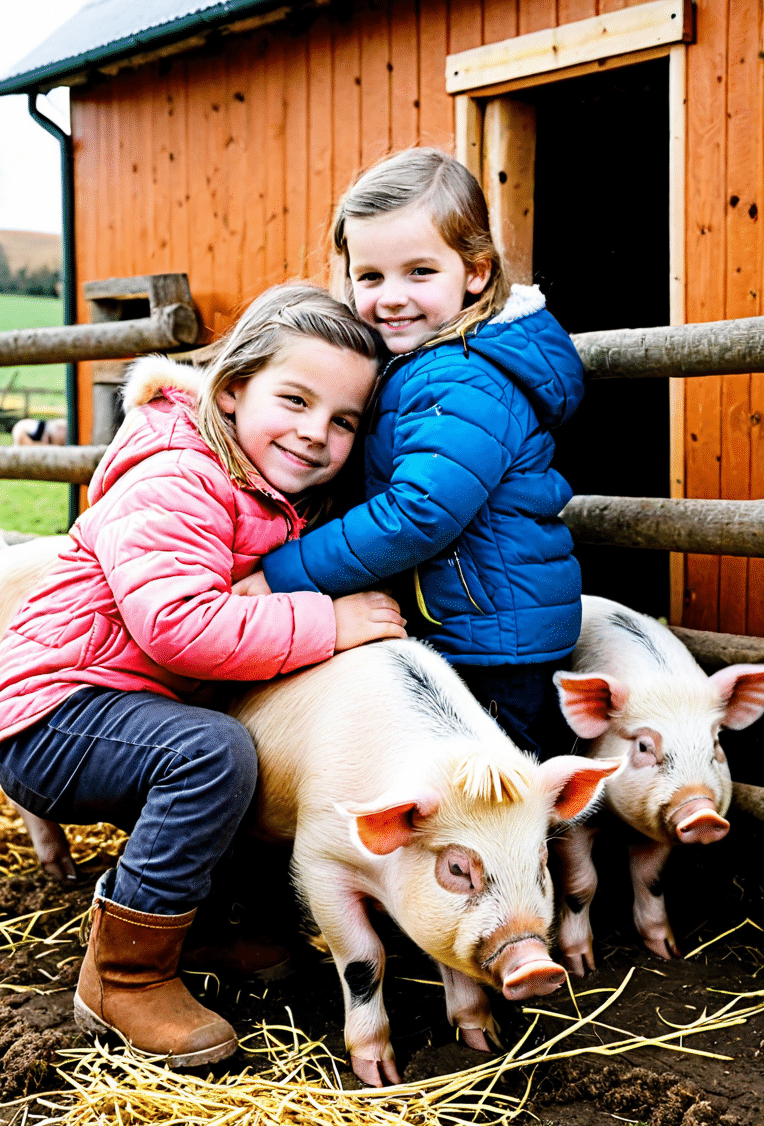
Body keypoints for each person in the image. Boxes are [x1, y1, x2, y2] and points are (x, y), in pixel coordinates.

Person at [0, 282, 406, 1069]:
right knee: (211, 754)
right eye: (296, 399)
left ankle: (207, 928)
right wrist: (327, 622)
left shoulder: (268, 491)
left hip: (124, 704)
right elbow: (177, 627)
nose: (316, 433)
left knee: (241, 746)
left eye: (343, 421)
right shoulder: (179, 472)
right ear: (234, 388)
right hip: (56, 710)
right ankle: (124, 978)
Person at [247, 148, 584, 758]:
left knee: (496, 802)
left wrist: (283, 575)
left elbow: (419, 512)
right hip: (471, 626)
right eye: (371, 277)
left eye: (419, 273)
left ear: (476, 272)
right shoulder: (419, 364)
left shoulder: (464, 377)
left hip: (492, 644)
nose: (391, 298)